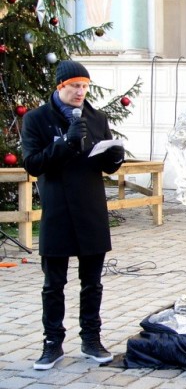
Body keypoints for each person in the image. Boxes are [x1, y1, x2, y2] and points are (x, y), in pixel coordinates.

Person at [21, 60, 125, 370]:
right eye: (75, 86)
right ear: (60, 87)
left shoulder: (97, 118)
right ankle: (52, 343)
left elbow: (104, 165)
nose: (81, 92)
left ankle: (91, 339)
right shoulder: (37, 120)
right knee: (54, 284)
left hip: (91, 209)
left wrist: (115, 159)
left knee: (92, 283)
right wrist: (66, 143)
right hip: (58, 210)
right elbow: (33, 164)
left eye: (84, 86)